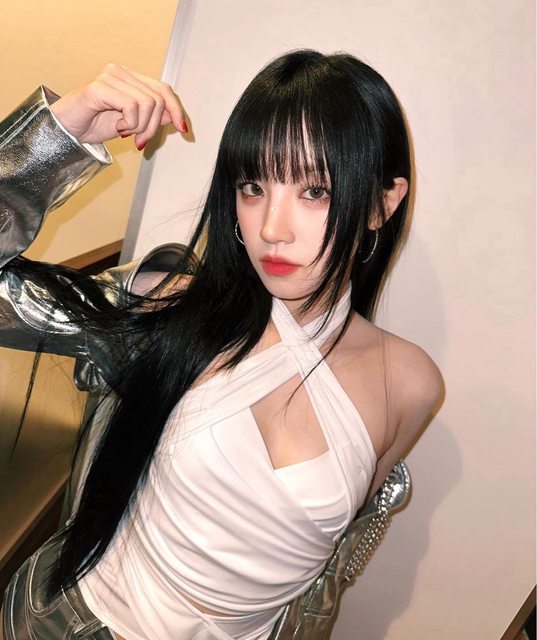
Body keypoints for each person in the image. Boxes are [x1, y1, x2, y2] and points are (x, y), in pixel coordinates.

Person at [0, 51, 443, 640]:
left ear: (382, 205)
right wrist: (54, 140)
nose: (272, 228)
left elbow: (325, 572)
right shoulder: (174, 305)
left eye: (315, 190)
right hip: (71, 624)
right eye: (253, 186)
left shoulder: (410, 384)